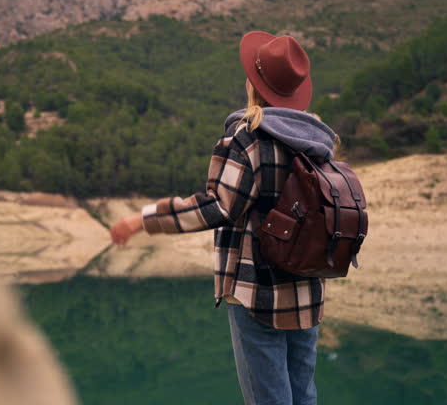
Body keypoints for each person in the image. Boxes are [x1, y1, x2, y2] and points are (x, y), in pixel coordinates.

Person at [110, 31, 337, 405]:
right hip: (307, 292)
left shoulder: (247, 139)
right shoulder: (317, 145)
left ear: (254, 84)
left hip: (256, 295)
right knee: (303, 396)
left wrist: (142, 219)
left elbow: (215, 207)